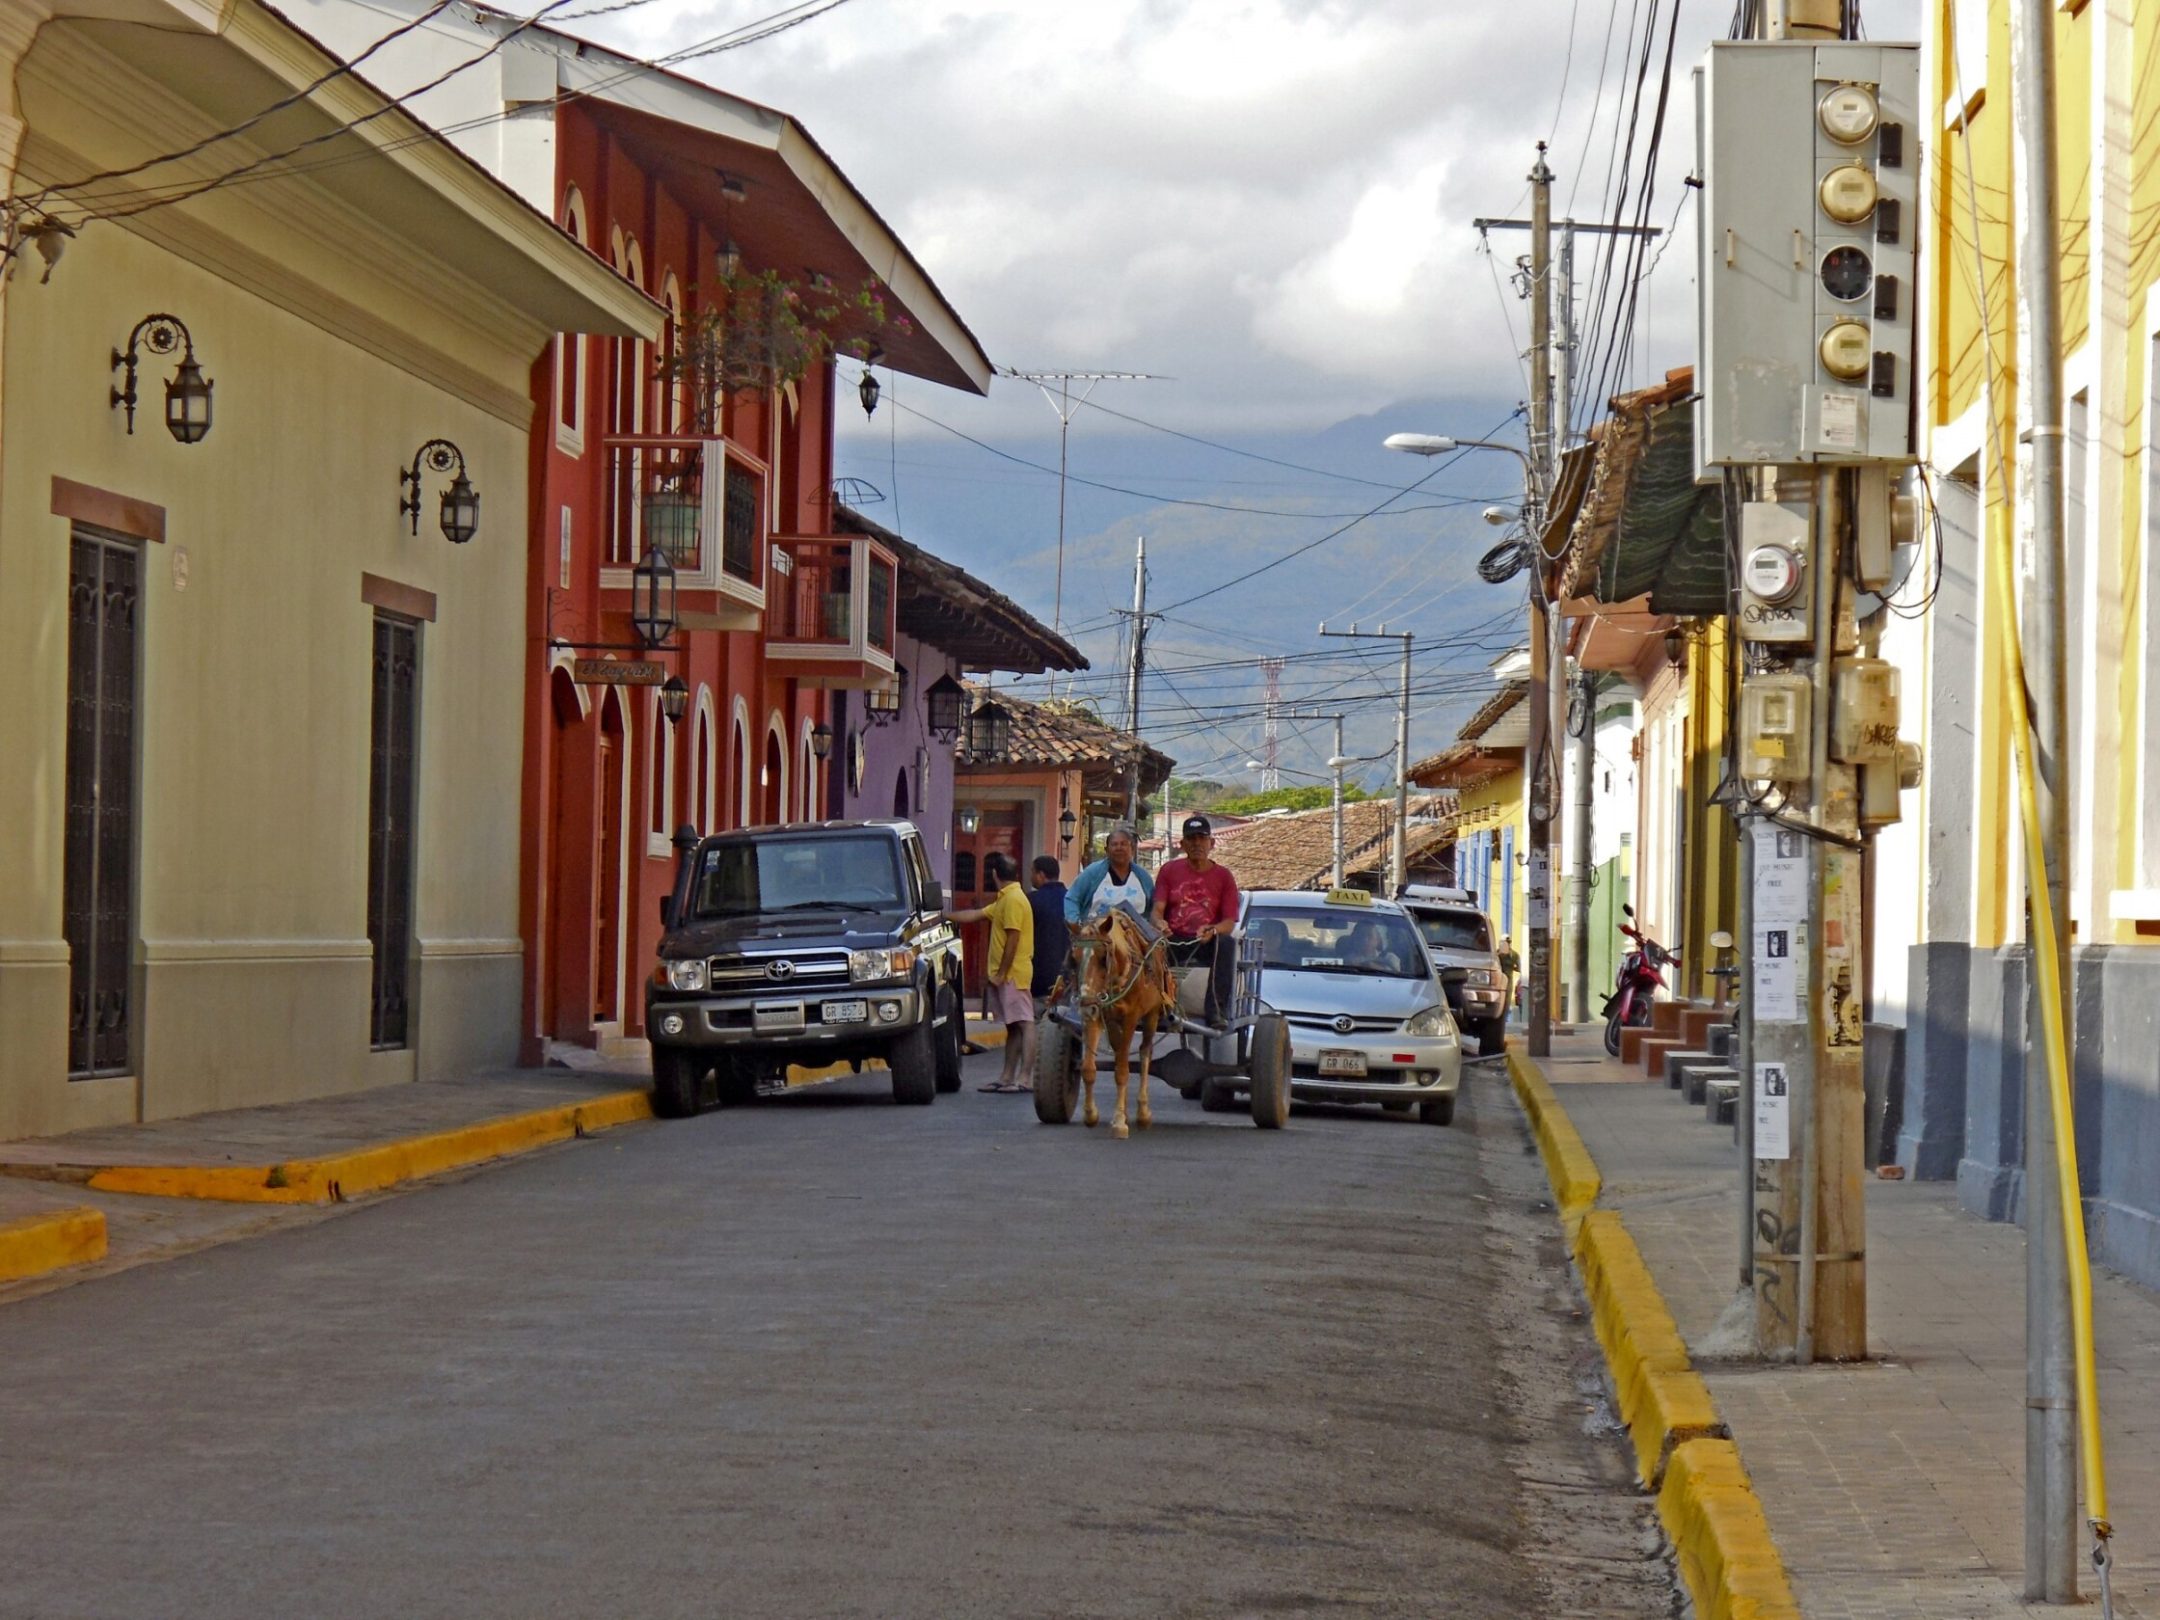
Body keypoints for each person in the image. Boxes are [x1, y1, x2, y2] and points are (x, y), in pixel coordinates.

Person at [944, 851, 1035, 1092]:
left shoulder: (1013, 900)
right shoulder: (1006, 898)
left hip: (1013, 974)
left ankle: (1024, 1078)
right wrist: (943, 916)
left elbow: (1013, 939)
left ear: (994, 874)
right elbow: (976, 914)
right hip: (1007, 974)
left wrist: (1001, 973)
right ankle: (1007, 1077)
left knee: (1024, 1022)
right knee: (1013, 1025)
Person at [1151, 814, 1240, 1025]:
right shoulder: (1169, 871)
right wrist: (1160, 924)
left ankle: (1216, 1010)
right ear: (1182, 844)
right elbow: (1157, 911)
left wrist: (1213, 930)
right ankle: (1155, 1004)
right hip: (1173, 938)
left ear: (1212, 843)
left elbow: (1229, 922)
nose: (1197, 843)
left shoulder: (1224, 876)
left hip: (1205, 941)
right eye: (1191, 838)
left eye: (1202, 838)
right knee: (1147, 944)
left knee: (1226, 943)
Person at [1063, 824, 1154, 925]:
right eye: (1114, 844)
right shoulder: (1092, 873)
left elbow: (1154, 907)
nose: (1119, 848)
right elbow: (1072, 898)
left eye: (1123, 844)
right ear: (1106, 850)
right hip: (1097, 932)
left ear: (1132, 849)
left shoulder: (1143, 877)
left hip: (1134, 933)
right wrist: (1076, 924)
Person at [1027, 855, 1069, 1013]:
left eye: (1032, 872)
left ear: (1041, 875)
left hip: (1038, 978)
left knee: (1036, 1021)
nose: (1031, 876)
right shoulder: (1072, 900)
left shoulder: (1031, 901)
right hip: (1066, 979)